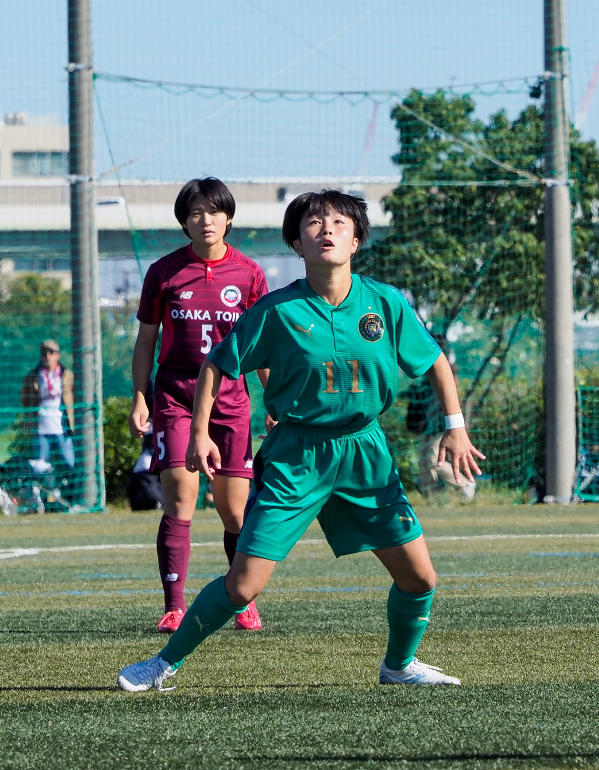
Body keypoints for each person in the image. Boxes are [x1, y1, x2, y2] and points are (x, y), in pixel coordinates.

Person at [116, 189, 484, 692]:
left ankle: (399, 666)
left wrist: (455, 426)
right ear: (296, 242)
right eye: (313, 223)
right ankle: (163, 663)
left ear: (357, 240)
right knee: (243, 587)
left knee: (420, 579)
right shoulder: (277, 310)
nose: (326, 230)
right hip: (296, 456)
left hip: (365, 454)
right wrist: (199, 433)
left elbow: (435, 361)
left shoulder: (386, 304)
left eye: (338, 222)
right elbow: (216, 365)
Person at [129, 178, 269, 634]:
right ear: (183, 221)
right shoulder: (164, 272)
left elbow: (262, 346)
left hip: (230, 403)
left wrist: (275, 399)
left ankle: (241, 597)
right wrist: (140, 398)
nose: (204, 220)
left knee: (234, 510)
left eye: (213, 211)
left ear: (228, 217)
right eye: (194, 212)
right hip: (176, 399)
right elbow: (146, 339)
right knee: (180, 497)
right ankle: (174, 605)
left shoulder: (249, 273)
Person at [20, 339, 76, 469]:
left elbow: (74, 396)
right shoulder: (33, 376)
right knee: (41, 466)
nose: (48, 356)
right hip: (41, 429)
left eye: (51, 352)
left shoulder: (67, 375)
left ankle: (65, 488)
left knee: (69, 463)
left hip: (63, 428)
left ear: (58, 355)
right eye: (44, 353)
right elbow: (25, 400)